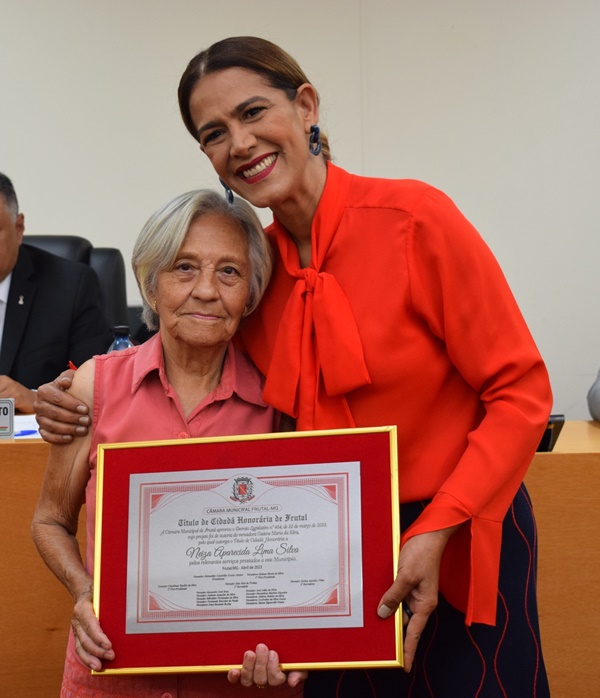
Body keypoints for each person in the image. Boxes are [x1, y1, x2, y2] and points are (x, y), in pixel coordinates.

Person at [34, 37, 553, 697]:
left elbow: (521, 392)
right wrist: (68, 389)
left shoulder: (415, 220)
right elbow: (184, 352)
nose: (241, 142)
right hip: (324, 554)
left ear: (306, 106)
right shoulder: (257, 272)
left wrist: (436, 527)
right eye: (215, 132)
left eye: (254, 112)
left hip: (458, 526)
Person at [32, 189, 305, 697]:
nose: (206, 290)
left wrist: (292, 633)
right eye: (184, 267)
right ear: (152, 285)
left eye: (229, 272)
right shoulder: (96, 387)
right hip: (112, 673)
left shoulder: (280, 403)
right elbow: (49, 520)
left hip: (236, 680)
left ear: (251, 294)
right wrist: (87, 593)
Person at [0, 173, 112, 413]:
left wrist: (34, 400)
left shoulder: (70, 286)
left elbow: (97, 389)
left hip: (35, 443)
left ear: (18, 228)